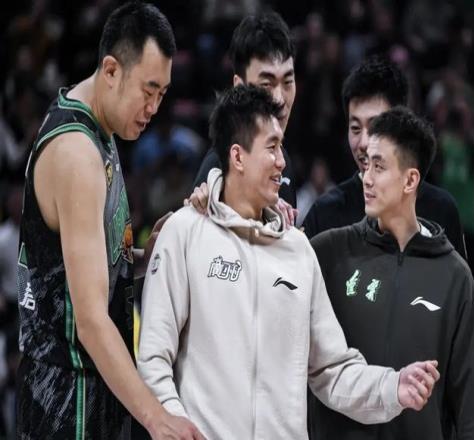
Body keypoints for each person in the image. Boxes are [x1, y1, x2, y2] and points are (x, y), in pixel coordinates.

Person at [137, 85, 439, 439]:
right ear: (237, 157)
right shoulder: (184, 233)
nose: (282, 161)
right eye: (272, 147)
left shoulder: (298, 250)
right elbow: (153, 358)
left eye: (281, 146)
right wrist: (177, 427)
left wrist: (392, 386)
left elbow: (332, 369)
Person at [16, 3, 204, 439]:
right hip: (66, 400)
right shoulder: (77, 155)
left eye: (163, 94)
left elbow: (79, 266)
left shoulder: (100, 124)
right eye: (148, 90)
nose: (154, 107)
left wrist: (142, 258)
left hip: (90, 391)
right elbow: (90, 320)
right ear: (111, 70)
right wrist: (157, 418)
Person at [309, 106, 474, 439]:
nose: (366, 177)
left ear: (411, 180)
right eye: (367, 164)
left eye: (379, 166)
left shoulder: (454, 276)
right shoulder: (328, 252)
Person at [302, 56, 466, 259]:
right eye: (355, 128)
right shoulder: (325, 213)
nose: (363, 143)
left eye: (375, 127)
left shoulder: (441, 209)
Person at [189, 11, 297, 224]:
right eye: (266, 84)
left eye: (287, 82)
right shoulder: (216, 169)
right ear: (240, 87)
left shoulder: (283, 161)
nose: (279, 99)